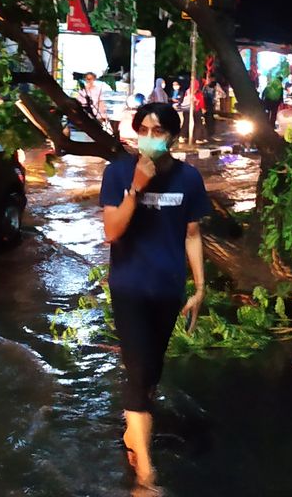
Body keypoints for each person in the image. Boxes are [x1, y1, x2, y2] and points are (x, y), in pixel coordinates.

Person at [100, 103, 210, 493]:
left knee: (151, 369)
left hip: (168, 289)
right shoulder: (117, 173)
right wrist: (137, 187)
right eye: (143, 128)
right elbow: (112, 232)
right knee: (139, 369)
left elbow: (192, 234)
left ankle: (134, 432)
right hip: (130, 286)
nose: (149, 136)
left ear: (173, 138)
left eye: (158, 130)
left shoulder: (189, 178)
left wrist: (199, 287)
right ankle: (145, 476)